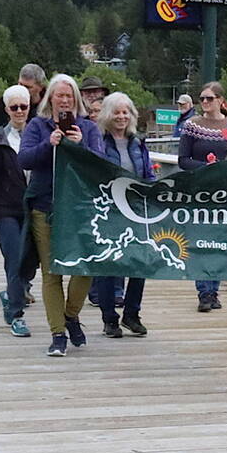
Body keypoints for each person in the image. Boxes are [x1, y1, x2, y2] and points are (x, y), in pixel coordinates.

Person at [19, 73, 94, 358]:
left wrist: (79, 144)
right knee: (51, 272)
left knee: (85, 266)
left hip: (79, 208)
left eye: (69, 95)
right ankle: (58, 333)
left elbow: (100, 163)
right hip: (45, 204)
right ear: (50, 98)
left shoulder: (88, 127)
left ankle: (71, 314)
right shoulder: (37, 126)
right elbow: (23, 159)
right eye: (59, 95)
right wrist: (49, 144)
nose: (64, 100)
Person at [83, 92, 156, 338]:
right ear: (107, 115)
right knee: (109, 265)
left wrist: (155, 190)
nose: (121, 116)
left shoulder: (139, 142)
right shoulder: (98, 142)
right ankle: (109, 318)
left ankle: (132, 314)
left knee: (140, 263)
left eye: (126, 112)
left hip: (136, 210)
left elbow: (147, 173)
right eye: (116, 112)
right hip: (109, 210)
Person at [178, 81, 227, 313]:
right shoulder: (191, 125)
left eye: (209, 98)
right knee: (201, 240)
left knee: (220, 241)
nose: (205, 102)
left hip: (226, 193)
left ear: (221, 101)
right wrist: (207, 167)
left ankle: (214, 290)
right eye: (202, 98)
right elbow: (183, 159)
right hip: (200, 191)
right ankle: (204, 291)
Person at [0, 84, 34, 337]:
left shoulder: (39, 137)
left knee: (30, 263)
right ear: (6, 110)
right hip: (6, 211)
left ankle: (11, 294)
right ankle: (16, 313)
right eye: (14, 107)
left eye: (23, 106)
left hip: (34, 208)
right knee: (14, 260)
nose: (19, 111)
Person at [0, 63, 46, 132]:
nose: (22, 89)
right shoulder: (5, 102)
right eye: (20, 84)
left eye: (28, 87)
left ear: (40, 87)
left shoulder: (50, 105)